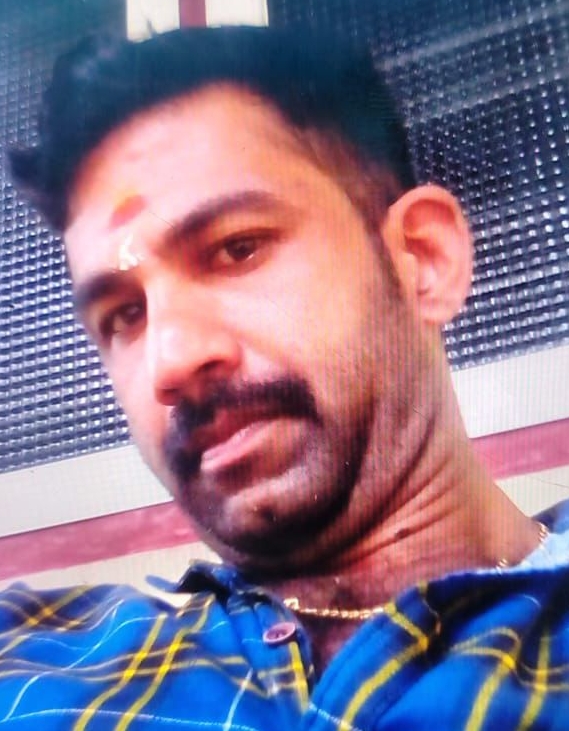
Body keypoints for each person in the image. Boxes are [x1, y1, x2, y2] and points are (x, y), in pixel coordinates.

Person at [5, 25, 569, 730]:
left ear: (422, 260)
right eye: (123, 315)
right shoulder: (35, 658)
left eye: (236, 248)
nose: (170, 362)